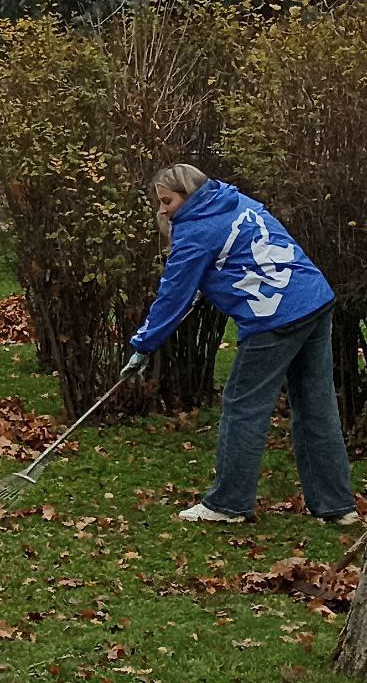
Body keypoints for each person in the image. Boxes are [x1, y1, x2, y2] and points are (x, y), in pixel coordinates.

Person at [124, 164, 355, 525]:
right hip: (313, 298)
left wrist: (144, 344)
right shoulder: (233, 200)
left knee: (243, 405)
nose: (162, 210)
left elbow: (172, 297)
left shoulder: (195, 230)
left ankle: (228, 504)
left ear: (187, 193)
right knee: (316, 405)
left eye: (167, 201)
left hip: (274, 316)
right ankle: (338, 507)